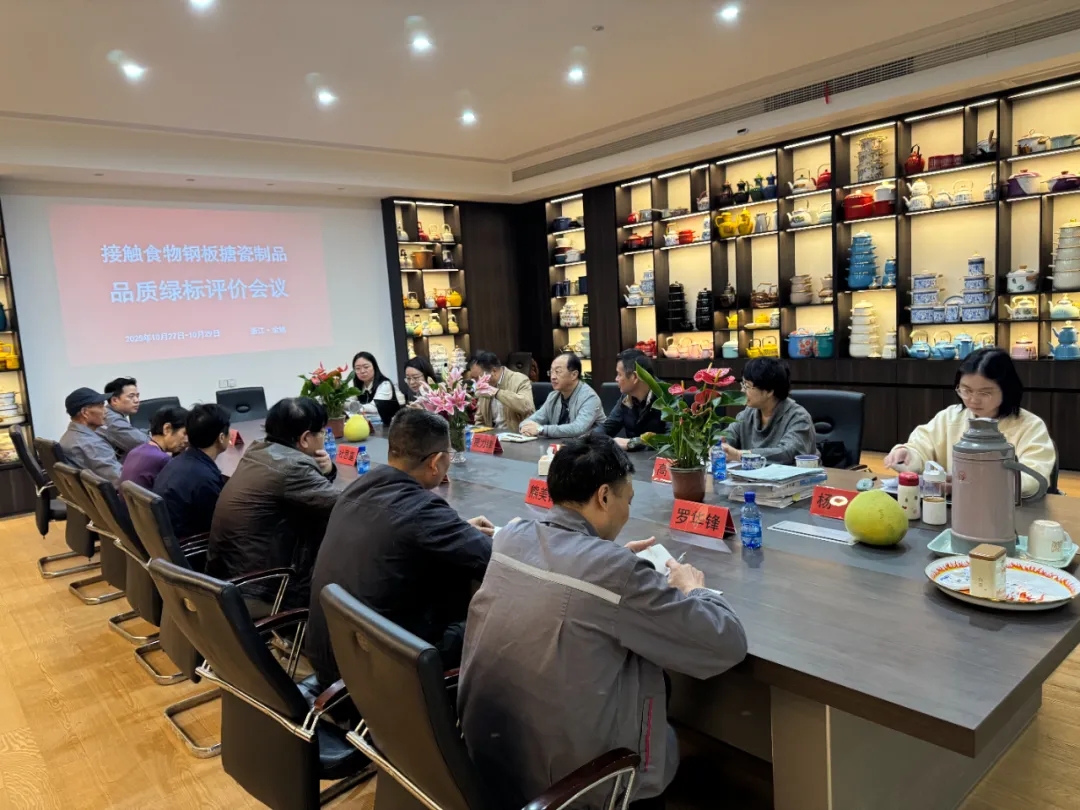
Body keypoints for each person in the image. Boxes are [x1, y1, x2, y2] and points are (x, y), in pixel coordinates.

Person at [458, 434, 747, 808]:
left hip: (490, 763)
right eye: (628, 499)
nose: (627, 511)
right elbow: (726, 642)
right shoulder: (616, 573)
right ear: (604, 496)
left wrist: (609, 560)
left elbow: (572, 575)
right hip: (574, 787)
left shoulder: (512, 536)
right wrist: (694, 589)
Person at [307, 409, 493, 686]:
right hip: (383, 673)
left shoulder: (358, 487)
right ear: (435, 462)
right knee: (490, 620)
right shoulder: (421, 509)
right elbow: (492, 559)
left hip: (332, 659)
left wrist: (457, 530)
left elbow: (399, 529)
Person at [208, 397, 339, 608]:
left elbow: (317, 499)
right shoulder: (293, 467)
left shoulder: (258, 451)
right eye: (322, 432)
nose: (324, 437)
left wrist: (327, 471)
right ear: (305, 438)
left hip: (227, 579)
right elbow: (345, 507)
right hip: (262, 590)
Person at [885, 348, 1056, 497]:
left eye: (985, 393)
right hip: (954, 509)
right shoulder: (950, 417)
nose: (973, 400)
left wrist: (974, 485)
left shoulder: (1030, 426)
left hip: (1008, 510)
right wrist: (907, 454)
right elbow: (921, 447)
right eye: (966, 390)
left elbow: (1034, 479)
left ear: (1007, 389)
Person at [153, 403, 231, 539]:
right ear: (221, 438)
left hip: (168, 542)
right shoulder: (204, 478)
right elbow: (220, 526)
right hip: (192, 546)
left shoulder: (179, 461)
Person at [722, 358, 816, 465]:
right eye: (742, 384)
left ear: (769, 391)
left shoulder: (799, 417)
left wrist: (739, 455)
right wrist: (720, 445)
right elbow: (729, 436)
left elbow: (788, 453)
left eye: (747, 386)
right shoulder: (748, 414)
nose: (742, 391)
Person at [519, 353, 604, 438]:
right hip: (560, 444)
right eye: (551, 372)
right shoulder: (553, 396)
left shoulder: (590, 398)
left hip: (590, 444)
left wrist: (541, 429)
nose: (553, 377)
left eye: (558, 372)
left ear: (574, 375)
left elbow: (578, 428)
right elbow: (534, 419)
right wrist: (525, 427)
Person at [599, 349, 667, 451]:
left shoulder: (668, 396)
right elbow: (607, 428)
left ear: (634, 377)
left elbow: (674, 439)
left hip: (661, 460)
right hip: (633, 459)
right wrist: (585, 440)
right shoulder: (626, 397)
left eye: (619, 374)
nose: (616, 379)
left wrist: (633, 442)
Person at [58, 387, 123, 483]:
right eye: (101, 406)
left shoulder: (69, 436)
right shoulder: (91, 444)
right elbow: (121, 480)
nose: (106, 411)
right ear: (85, 412)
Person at [120, 405, 190, 488]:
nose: (187, 440)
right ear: (167, 429)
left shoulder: (135, 451)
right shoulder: (163, 460)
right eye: (184, 433)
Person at [466, 350, 534, 432]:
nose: (476, 383)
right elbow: (480, 419)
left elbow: (526, 406)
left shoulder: (520, 380)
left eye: (478, 378)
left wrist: (497, 393)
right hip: (493, 435)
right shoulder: (484, 386)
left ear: (493, 371)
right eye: (474, 378)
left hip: (517, 434)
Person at [349, 351, 404, 423]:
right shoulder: (359, 386)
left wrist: (353, 407)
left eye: (366, 367)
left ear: (374, 367)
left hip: (390, 426)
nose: (362, 371)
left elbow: (374, 408)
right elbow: (349, 401)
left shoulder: (385, 384)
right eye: (358, 368)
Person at [101, 377, 147, 459]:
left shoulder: (114, 414)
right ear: (114, 400)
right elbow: (143, 444)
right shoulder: (112, 419)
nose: (137, 400)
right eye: (131, 396)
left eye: (137, 396)